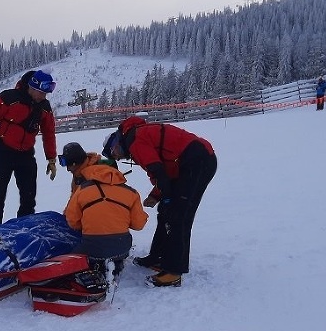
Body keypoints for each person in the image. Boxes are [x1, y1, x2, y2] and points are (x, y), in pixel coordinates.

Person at [102, 116, 217, 288]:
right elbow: (164, 170)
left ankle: (173, 272)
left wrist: (166, 195)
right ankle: (158, 257)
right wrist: (157, 196)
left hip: (197, 161)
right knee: (166, 211)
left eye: (114, 154)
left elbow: (158, 170)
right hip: (189, 162)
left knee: (178, 215)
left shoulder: (134, 141)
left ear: (115, 144)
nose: (117, 158)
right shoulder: (135, 137)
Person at [0, 70, 58, 227]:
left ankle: (24, 231)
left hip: (26, 155)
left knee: (28, 198)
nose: (44, 96)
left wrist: (51, 158)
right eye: (42, 93)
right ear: (32, 87)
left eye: (46, 93)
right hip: (3, 152)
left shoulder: (44, 108)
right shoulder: (9, 98)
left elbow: (49, 133)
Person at [60, 142, 148, 273]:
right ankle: (115, 261)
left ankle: (97, 263)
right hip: (123, 245)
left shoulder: (82, 189)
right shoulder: (131, 193)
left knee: (71, 253)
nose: (68, 169)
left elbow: (73, 221)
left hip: (92, 246)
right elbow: (138, 225)